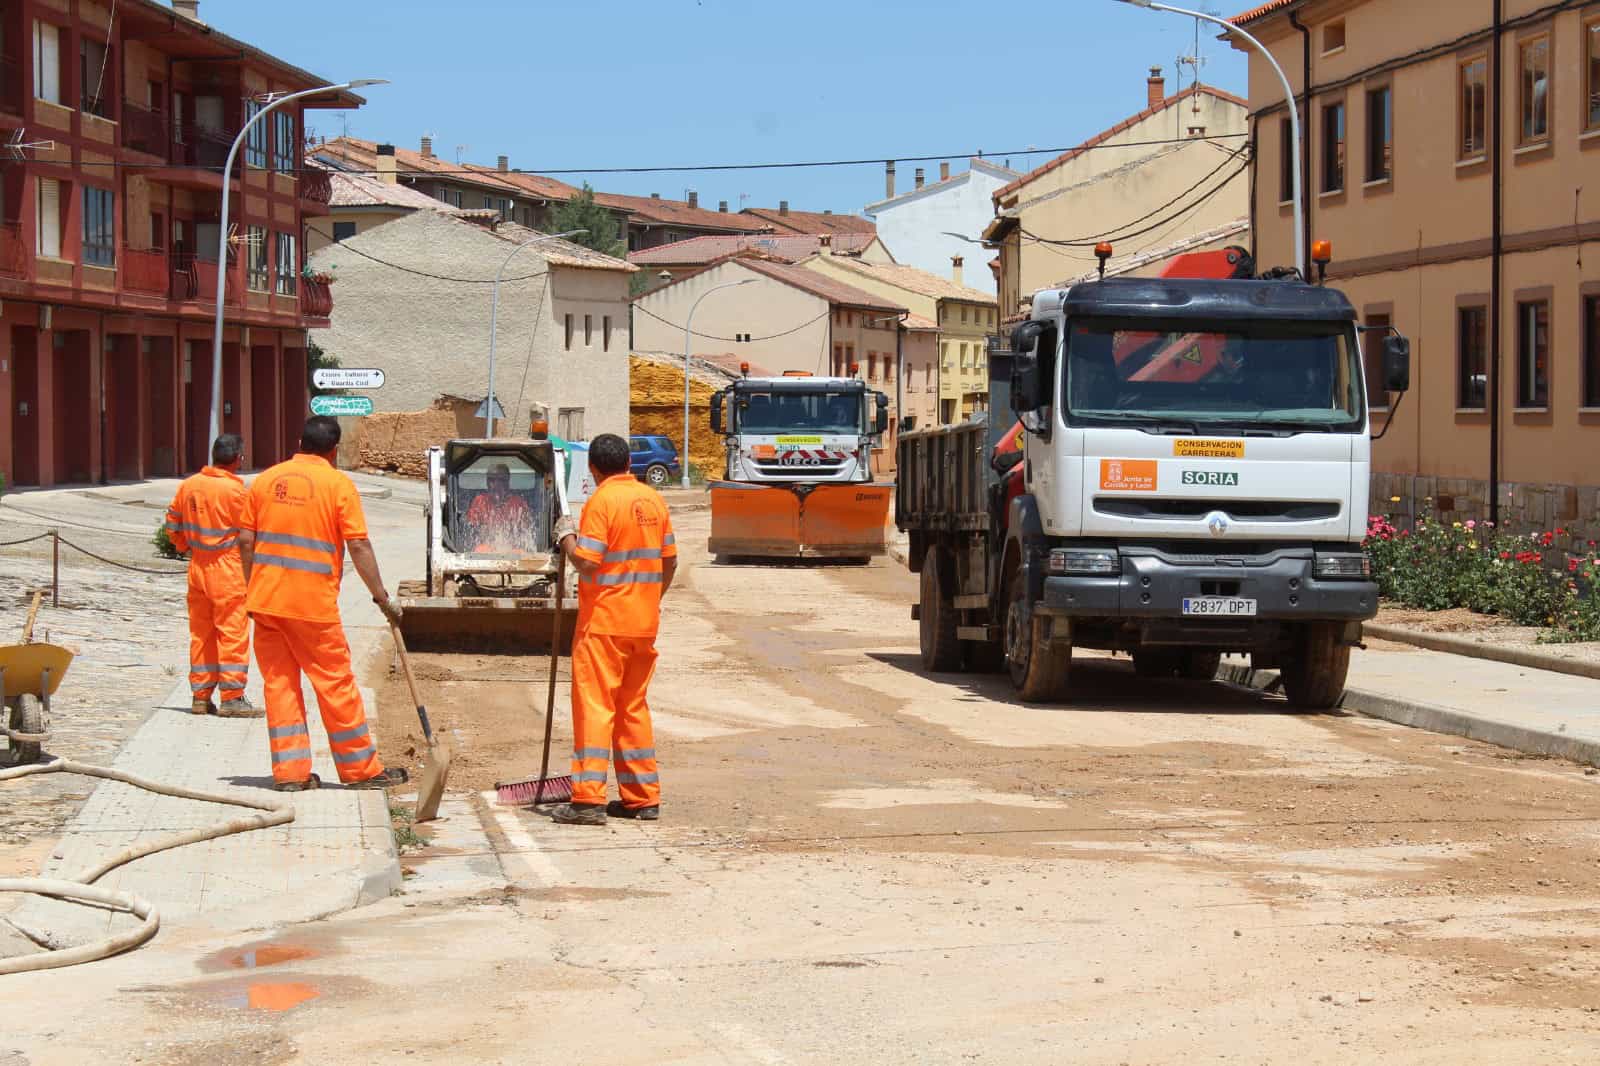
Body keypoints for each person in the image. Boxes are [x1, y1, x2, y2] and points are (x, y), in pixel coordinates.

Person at [237, 416, 408, 793]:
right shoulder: (338, 485)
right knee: (336, 685)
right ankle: (360, 770)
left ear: (299, 442)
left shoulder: (265, 481)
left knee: (279, 685)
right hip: (312, 608)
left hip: (266, 604)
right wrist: (381, 597)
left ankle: (290, 775)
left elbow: (246, 541)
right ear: (333, 450)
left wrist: (253, 589)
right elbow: (358, 545)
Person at [549, 432, 677, 826]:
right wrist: (650, 600)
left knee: (595, 707)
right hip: (642, 623)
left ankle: (587, 800)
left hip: (604, 624)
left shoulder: (600, 502)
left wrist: (565, 538)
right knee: (631, 707)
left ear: (593, 468)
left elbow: (587, 562)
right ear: (627, 464)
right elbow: (669, 562)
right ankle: (642, 798)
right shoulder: (654, 500)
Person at [166, 434, 259, 718]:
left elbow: (172, 525)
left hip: (197, 568)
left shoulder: (189, 485)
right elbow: (248, 537)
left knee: (202, 634)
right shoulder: (237, 493)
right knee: (231, 633)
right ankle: (232, 697)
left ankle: (200, 697)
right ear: (238, 458)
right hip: (227, 570)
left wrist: (186, 546)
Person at [466, 462, 533, 552]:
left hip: (512, 549)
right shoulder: (479, 502)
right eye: (492, 480)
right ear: (487, 483)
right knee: (481, 549)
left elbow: (526, 533)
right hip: (486, 549)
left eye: (501, 480)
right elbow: (471, 531)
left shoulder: (519, 503)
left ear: (508, 482)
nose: (497, 485)